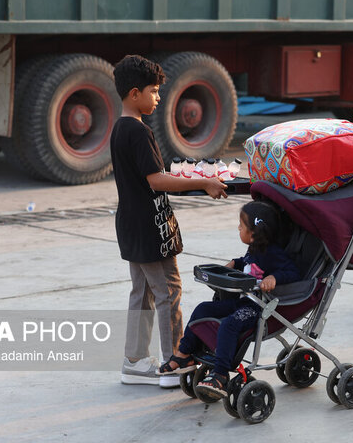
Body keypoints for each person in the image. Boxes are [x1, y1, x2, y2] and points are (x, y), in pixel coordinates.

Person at [111, 55, 228, 388]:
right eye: (154, 91)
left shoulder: (120, 128)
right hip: (151, 228)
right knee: (169, 292)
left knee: (143, 292)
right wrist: (203, 182)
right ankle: (174, 362)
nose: (158, 97)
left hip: (130, 225)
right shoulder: (138, 131)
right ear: (135, 93)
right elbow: (156, 180)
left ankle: (134, 362)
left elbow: (152, 175)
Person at [157, 201, 301, 399]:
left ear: (254, 234)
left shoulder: (273, 253)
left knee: (228, 325)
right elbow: (248, 262)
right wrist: (235, 263)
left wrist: (274, 278)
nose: (238, 228)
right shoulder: (255, 249)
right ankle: (184, 356)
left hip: (258, 308)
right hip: (243, 301)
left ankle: (221, 374)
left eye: (241, 226)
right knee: (202, 309)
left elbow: (293, 272)